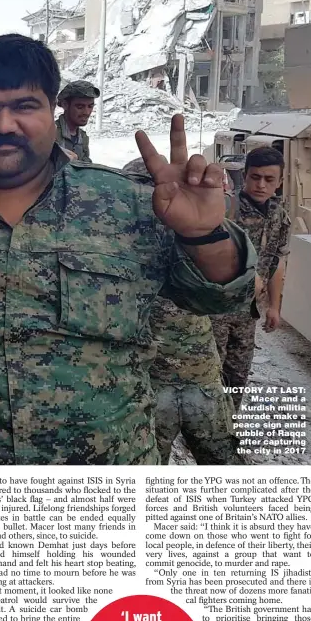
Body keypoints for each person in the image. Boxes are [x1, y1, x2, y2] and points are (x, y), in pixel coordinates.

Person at [0, 33, 256, 465]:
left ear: (51, 111)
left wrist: (202, 234)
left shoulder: (128, 204)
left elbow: (223, 296)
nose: (4, 125)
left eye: (25, 106)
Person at [121, 158, 241, 465]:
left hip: (198, 379)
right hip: (153, 384)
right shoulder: (119, 248)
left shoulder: (194, 234)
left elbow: (233, 292)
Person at [210, 147, 291, 404]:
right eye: (255, 177)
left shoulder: (279, 216)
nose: (261, 185)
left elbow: (275, 262)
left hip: (248, 313)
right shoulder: (226, 210)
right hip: (216, 311)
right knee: (211, 376)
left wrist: (274, 308)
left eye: (269, 179)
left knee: (237, 378)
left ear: (279, 183)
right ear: (245, 176)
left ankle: (229, 429)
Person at [55, 80, 100, 163]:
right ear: (65, 105)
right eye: (80, 107)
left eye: (90, 106)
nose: (86, 112)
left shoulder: (83, 137)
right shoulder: (49, 133)